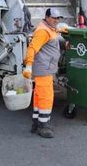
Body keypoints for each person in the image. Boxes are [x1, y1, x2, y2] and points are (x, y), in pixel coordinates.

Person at [22, 8, 64, 138]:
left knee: (39, 96)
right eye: (53, 18)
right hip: (43, 69)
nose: (55, 20)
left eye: (58, 18)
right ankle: (43, 126)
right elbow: (32, 48)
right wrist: (28, 66)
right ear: (46, 17)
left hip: (45, 68)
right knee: (46, 97)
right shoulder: (43, 31)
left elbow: (54, 34)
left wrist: (61, 30)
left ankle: (36, 123)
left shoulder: (49, 28)